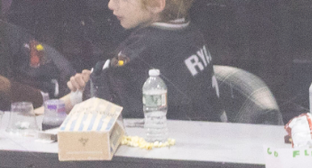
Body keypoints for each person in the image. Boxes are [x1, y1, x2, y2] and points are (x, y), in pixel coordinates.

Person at [63, 0, 220, 122]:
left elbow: (101, 98)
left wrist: (84, 89)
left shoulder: (151, 44)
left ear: (156, 4)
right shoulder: (189, 33)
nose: (111, 5)